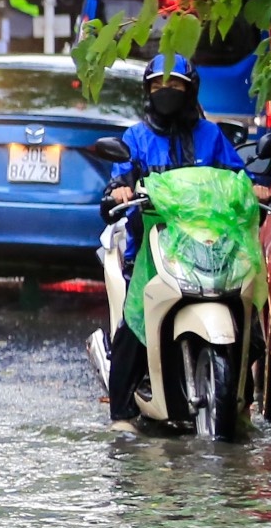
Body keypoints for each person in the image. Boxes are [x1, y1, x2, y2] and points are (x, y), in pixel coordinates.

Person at [102, 52, 255, 428]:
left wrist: (255, 189)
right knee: (133, 324)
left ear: (191, 91)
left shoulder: (211, 136)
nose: (166, 91)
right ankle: (121, 412)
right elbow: (120, 175)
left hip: (210, 246)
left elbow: (238, 177)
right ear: (148, 91)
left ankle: (244, 397)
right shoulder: (136, 138)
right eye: (158, 85)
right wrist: (120, 188)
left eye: (175, 84)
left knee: (249, 316)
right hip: (153, 250)